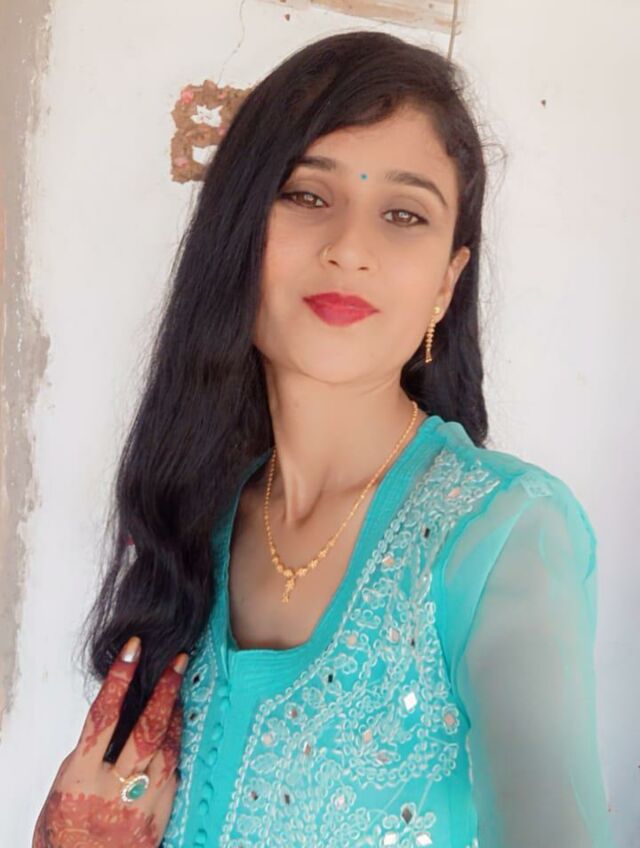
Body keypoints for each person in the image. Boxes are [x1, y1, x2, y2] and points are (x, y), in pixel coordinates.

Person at [33, 29, 616, 848]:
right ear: (236, 233)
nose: (348, 247)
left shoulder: (503, 538)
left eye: (403, 214)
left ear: (447, 283)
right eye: (308, 196)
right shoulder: (193, 526)